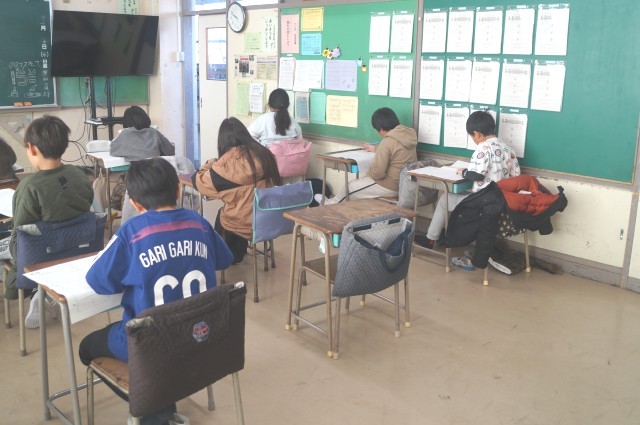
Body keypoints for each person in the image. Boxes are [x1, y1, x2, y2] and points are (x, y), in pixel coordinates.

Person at [79, 157, 233, 425]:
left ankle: (155, 406)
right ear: (178, 189)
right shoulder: (199, 223)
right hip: (202, 336)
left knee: (86, 348)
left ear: (136, 204)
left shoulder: (132, 232)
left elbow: (98, 281)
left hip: (151, 344)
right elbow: (225, 259)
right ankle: (161, 401)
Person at [6, 115, 93, 328]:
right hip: (78, 253)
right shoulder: (80, 175)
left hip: (41, 259)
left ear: (32, 148)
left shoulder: (28, 187)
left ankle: (39, 291)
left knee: (11, 244)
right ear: (64, 145)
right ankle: (45, 293)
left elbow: (21, 233)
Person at [418, 110, 521, 248]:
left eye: (472, 136)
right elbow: (516, 177)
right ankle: (446, 235)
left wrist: (464, 172)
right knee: (458, 196)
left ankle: (431, 239)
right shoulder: (508, 149)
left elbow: (477, 175)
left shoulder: (483, 148)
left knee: (444, 199)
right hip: (503, 202)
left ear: (477, 134)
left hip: (484, 204)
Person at [193, 117, 281, 264]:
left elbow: (199, 182)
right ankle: (237, 251)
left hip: (242, 224)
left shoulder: (224, 167)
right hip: (267, 220)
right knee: (241, 206)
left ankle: (223, 257)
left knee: (227, 215)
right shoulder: (266, 154)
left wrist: (210, 163)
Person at [319, 107, 417, 205]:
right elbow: (395, 149)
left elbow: (378, 173)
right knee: (361, 184)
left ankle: (329, 204)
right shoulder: (407, 136)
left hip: (389, 186)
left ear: (381, 129)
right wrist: (377, 148)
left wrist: (369, 169)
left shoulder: (387, 142)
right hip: (405, 185)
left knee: (350, 187)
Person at [110, 106, 175, 161]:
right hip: (156, 169)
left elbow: (113, 151)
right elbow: (170, 150)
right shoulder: (154, 132)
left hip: (137, 170)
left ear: (126, 121)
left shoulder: (124, 134)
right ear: (145, 117)